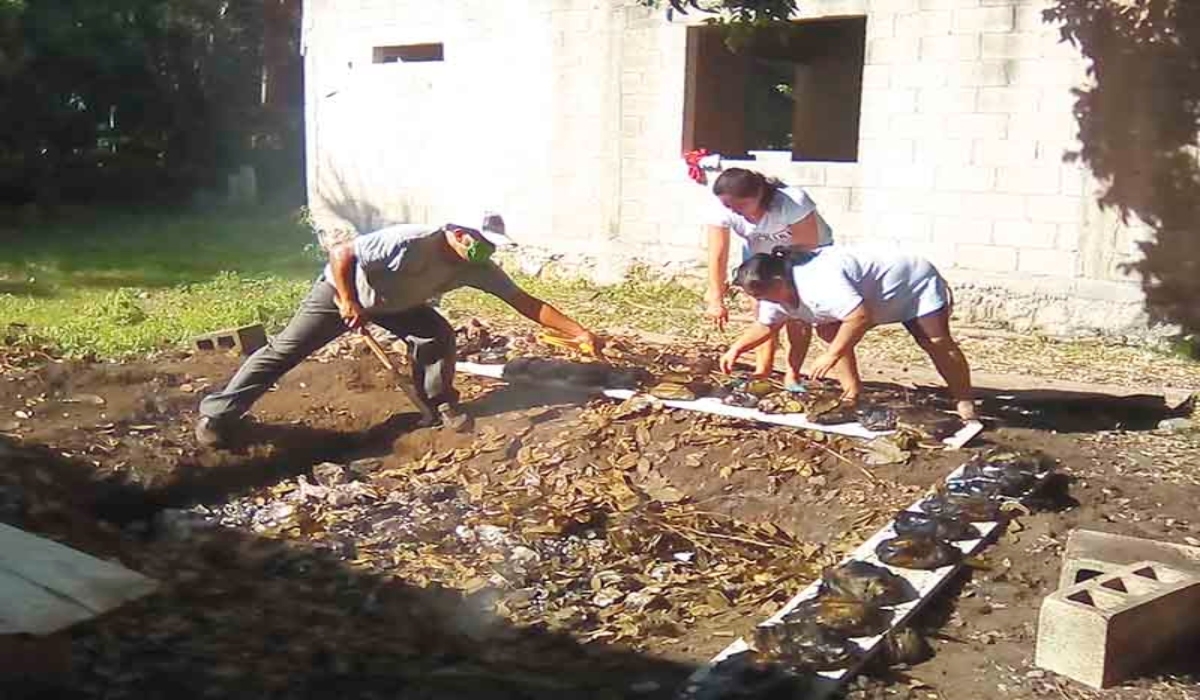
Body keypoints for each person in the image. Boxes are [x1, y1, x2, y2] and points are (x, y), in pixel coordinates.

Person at [195, 213, 604, 447]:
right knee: (285, 351)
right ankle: (217, 417)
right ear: (458, 232)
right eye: (481, 242)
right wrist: (348, 300)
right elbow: (342, 253)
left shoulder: (475, 266)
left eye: (491, 245)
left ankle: (439, 404)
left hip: (398, 306)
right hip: (341, 295)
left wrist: (579, 332)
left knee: (436, 335)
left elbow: (524, 301)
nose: (486, 251)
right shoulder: (409, 240)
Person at [718, 247, 978, 421]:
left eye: (759, 295)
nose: (759, 301)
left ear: (777, 283)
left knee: (935, 342)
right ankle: (851, 393)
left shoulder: (821, 283)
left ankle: (964, 399)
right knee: (828, 329)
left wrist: (830, 356)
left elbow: (859, 318)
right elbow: (766, 325)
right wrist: (737, 349)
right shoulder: (775, 292)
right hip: (868, 293)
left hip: (910, 282)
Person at [703, 168, 833, 388]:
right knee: (763, 313)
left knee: (796, 313)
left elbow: (806, 245)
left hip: (806, 255)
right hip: (760, 257)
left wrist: (783, 286)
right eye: (728, 206)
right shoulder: (722, 207)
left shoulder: (791, 202)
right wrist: (716, 299)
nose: (735, 211)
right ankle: (762, 369)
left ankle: (793, 374)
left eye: (741, 206)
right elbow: (717, 254)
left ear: (759, 194)